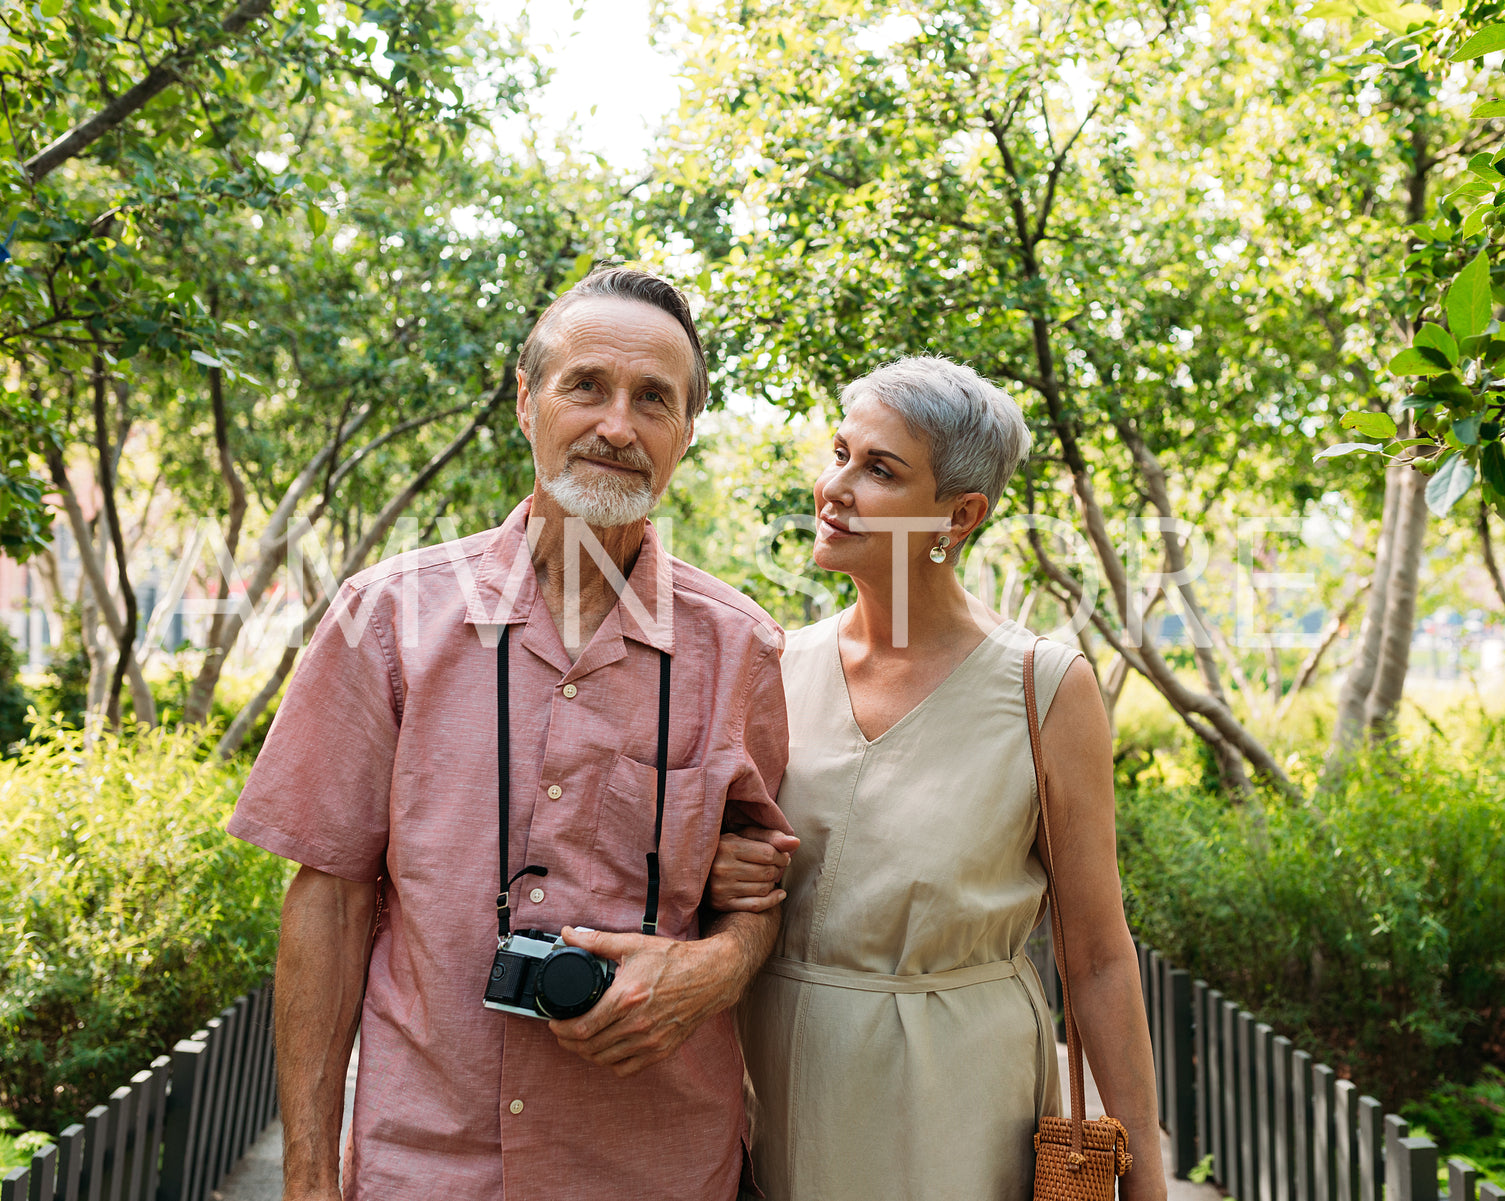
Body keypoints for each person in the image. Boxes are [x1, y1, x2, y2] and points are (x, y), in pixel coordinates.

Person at [228, 266, 799, 1201]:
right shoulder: (387, 619)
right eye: (586, 386)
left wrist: (721, 965)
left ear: (685, 435)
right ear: (526, 400)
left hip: (655, 1162)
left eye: (653, 399)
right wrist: (306, 1178)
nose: (617, 425)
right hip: (427, 1160)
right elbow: (326, 904)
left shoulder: (741, 648)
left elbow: (758, 889)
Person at [710, 357, 1168, 1201]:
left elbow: (1098, 955)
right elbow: (726, 872)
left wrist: (1143, 1178)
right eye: (840, 452)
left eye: (878, 469)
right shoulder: (771, 664)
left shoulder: (1043, 689)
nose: (834, 487)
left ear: (957, 515)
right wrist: (720, 877)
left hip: (957, 1100)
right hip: (772, 1087)